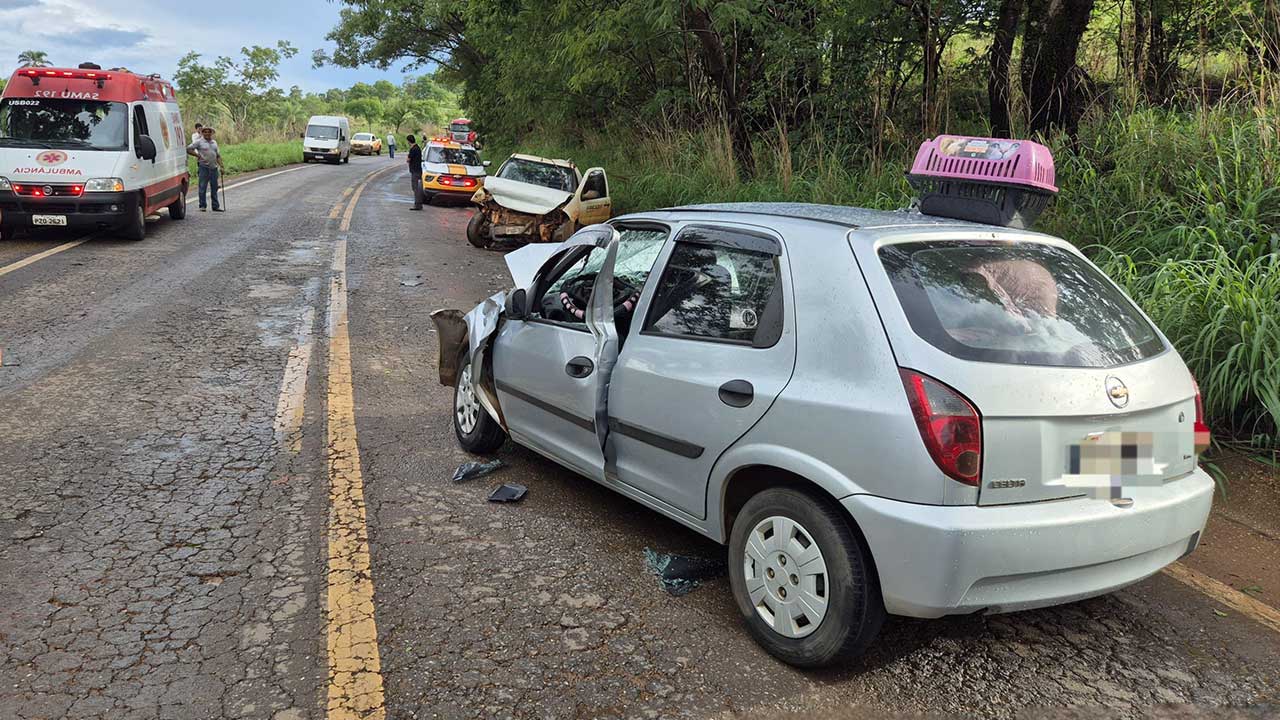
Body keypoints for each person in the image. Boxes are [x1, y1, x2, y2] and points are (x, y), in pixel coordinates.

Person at [186, 126, 224, 212]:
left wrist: (221, 166)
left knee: (214, 187)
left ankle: (215, 206)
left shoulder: (214, 142)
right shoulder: (199, 142)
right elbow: (188, 149)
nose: (207, 133)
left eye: (209, 132)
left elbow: (217, 155)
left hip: (214, 167)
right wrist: (197, 155)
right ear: (202, 133)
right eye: (205, 132)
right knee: (202, 187)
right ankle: (202, 205)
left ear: (211, 133)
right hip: (204, 167)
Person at [406, 135, 424, 211]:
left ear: (409, 141)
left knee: (415, 188)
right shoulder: (418, 148)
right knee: (418, 188)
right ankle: (419, 204)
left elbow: (408, 159)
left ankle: (417, 204)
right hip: (418, 170)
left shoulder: (413, 149)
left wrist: (408, 157)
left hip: (415, 171)